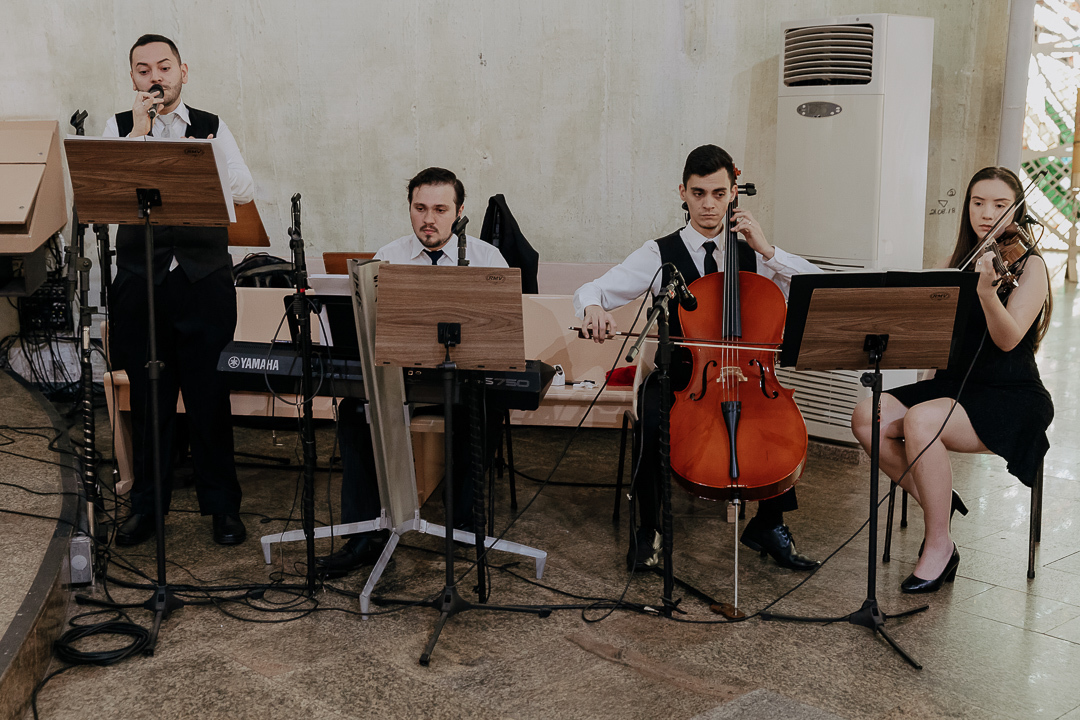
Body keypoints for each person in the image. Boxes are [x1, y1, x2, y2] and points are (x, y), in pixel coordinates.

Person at [574, 144, 822, 572]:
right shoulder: (659, 253)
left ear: (733, 194)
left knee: (772, 424)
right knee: (651, 420)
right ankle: (649, 529)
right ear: (683, 193)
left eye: (719, 194)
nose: (709, 204)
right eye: (699, 193)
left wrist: (768, 251)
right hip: (683, 376)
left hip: (748, 375)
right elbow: (593, 289)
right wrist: (593, 307)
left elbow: (816, 289)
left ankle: (770, 524)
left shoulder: (753, 253)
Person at [851, 166, 1053, 593]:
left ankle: (940, 544)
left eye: (1000, 205)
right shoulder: (957, 260)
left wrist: (986, 293)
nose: (987, 213)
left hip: (1010, 392)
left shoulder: (1031, 266)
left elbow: (1007, 339)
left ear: (1017, 210)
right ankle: (937, 500)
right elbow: (930, 330)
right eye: (978, 203)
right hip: (954, 384)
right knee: (867, 416)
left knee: (921, 421)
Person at [317, 167, 509, 577]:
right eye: (420, 208)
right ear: (409, 208)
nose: (429, 219)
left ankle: (463, 528)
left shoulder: (487, 259)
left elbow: (501, 332)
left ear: (459, 211)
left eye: (440, 209)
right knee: (353, 411)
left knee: (484, 409)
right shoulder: (387, 257)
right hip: (400, 379)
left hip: (463, 379)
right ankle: (364, 536)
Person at [105, 34, 254, 546]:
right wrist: (140, 134)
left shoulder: (211, 125)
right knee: (150, 400)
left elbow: (243, 188)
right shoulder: (118, 128)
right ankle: (148, 507)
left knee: (209, 397)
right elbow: (109, 191)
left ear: (182, 72)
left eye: (164, 67)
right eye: (143, 69)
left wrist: (197, 159)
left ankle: (223, 508)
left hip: (203, 281)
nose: (155, 78)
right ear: (132, 77)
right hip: (140, 284)